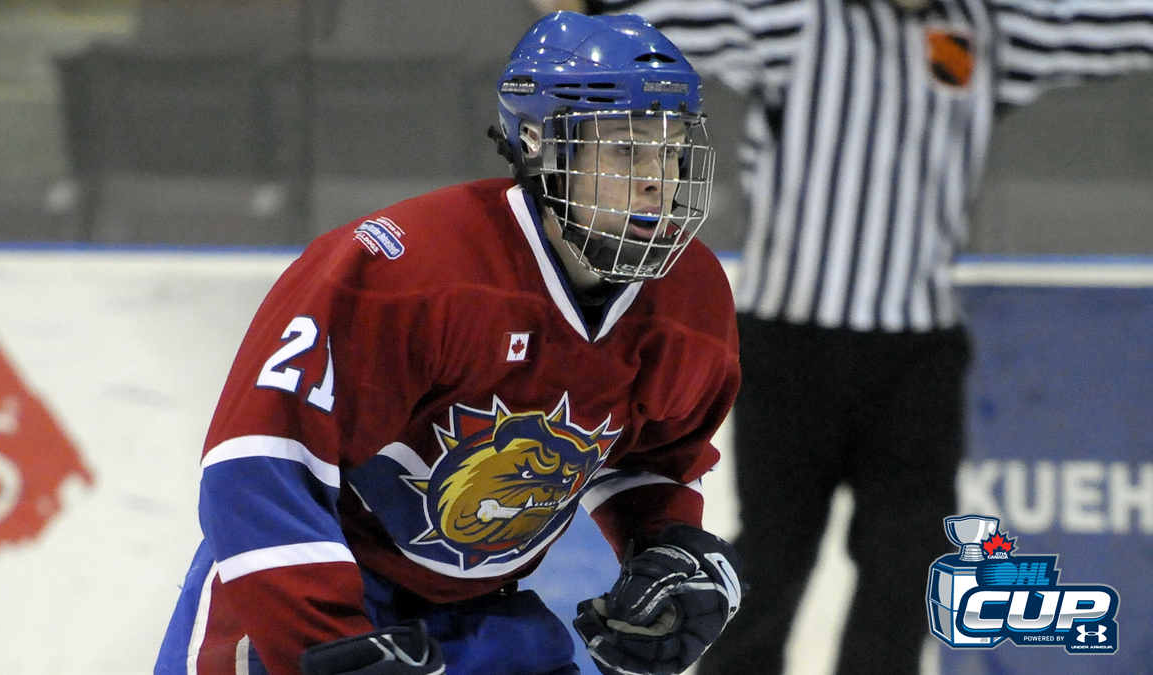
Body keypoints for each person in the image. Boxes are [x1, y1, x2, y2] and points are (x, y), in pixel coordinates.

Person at [553, 1, 1153, 674]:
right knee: (775, 554)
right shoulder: (802, 20)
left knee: (905, 561)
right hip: (793, 344)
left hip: (915, 352)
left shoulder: (988, 27)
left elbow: (1098, 24)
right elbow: (665, 22)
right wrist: (588, 13)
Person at [154, 11, 748, 675]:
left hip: (481, 617)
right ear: (540, 143)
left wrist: (665, 546)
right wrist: (328, 642)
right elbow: (258, 464)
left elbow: (655, 454)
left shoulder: (691, 297)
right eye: (627, 150)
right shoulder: (407, 273)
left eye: (671, 150)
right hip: (304, 600)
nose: (658, 179)